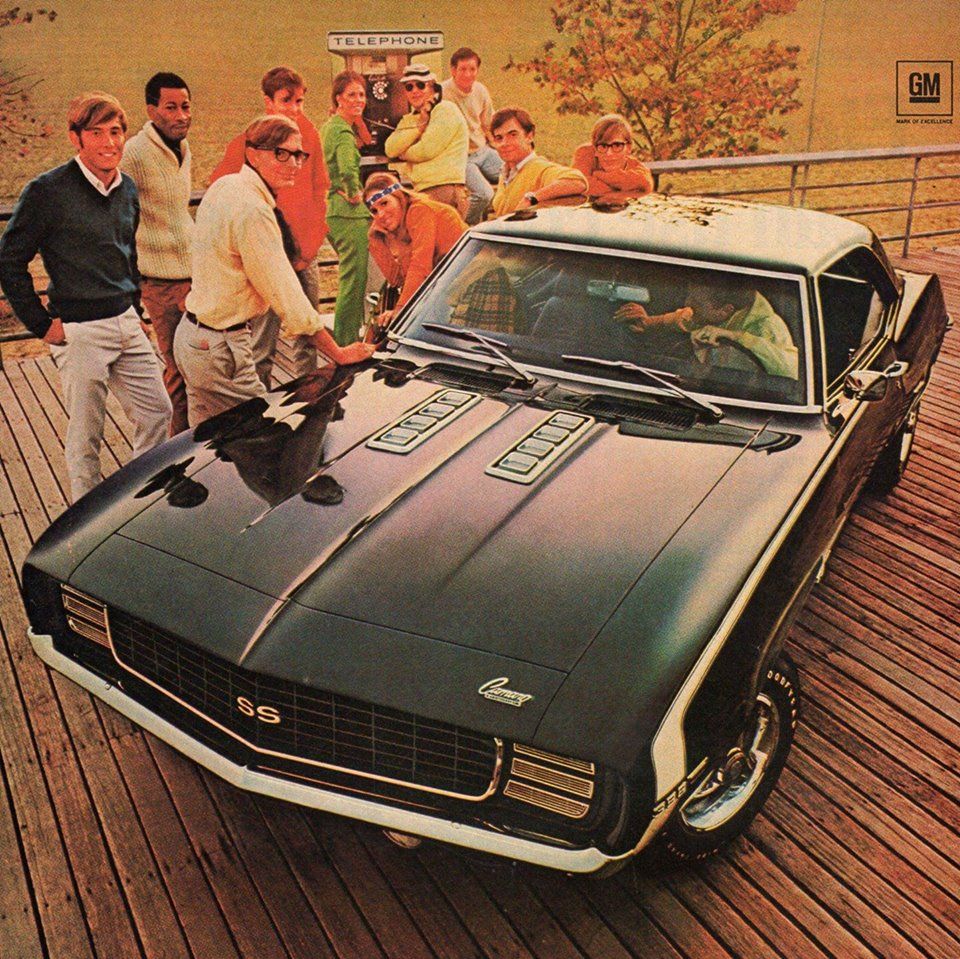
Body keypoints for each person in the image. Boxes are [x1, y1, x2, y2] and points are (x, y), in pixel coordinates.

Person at [0, 92, 171, 502]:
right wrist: (41, 324)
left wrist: (135, 308)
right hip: (79, 331)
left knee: (157, 412)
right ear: (75, 138)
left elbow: (127, 253)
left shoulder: (127, 189)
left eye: (115, 132)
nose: (109, 143)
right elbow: (9, 259)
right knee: (85, 437)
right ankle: (85, 525)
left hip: (126, 322)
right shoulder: (47, 192)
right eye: (96, 133)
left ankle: (138, 505)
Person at [174, 115, 374, 427]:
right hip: (221, 350)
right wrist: (338, 352)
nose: (293, 163)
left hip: (192, 338)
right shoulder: (254, 210)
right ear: (253, 154)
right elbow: (288, 297)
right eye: (281, 153)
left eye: (298, 154)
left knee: (208, 444)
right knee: (269, 436)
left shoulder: (226, 185)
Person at [209, 66, 330, 387]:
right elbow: (221, 187)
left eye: (300, 101)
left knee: (309, 334)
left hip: (305, 254)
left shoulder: (310, 135)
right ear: (268, 102)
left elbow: (320, 190)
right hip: (266, 255)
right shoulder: (250, 142)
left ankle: (309, 400)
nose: (294, 109)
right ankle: (257, 405)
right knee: (262, 344)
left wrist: (311, 244)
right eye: (286, 101)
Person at [122, 72, 194, 435]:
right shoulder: (134, 153)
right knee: (178, 371)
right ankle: (176, 454)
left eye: (185, 106)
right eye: (171, 108)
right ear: (151, 111)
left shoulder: (184, 148)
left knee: (200, 365)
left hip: (193, 278)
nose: (181, 115)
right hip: (159, 283)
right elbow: (118, 217)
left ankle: (200, 448)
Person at [617, 278, 799, 378]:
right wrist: (648, 322)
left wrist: (736, 337)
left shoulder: (768, 327)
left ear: (725, 311)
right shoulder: (715, 311)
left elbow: (792, 368)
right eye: (690, 296)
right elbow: (685, 317)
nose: (687, 303)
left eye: (695, 302)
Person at [363, 172, 467, 331]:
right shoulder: (401, 226)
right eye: (374, 211)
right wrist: (374, 241)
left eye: (384, 203)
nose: (381, 214)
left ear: (399, 197)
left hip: (473, 284)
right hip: (449, 290)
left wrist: (400, 310)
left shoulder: (419, 210)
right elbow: (398, 280)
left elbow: (420, 267)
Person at [322, 70, 373, 347]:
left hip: (332, 209)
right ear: (338, 98)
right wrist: (354, 192)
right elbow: (347, 168)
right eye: (351, 94)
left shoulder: (331, 126)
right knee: (354, 281)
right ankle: (346, 342)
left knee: (349, 278)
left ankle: (345, 338)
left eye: (362, 94)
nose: (359, 100)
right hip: (347, 213)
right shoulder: (342, 131)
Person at [385, 63, 469, 219]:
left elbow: (426, 150)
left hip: (445, 189)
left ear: (432, 86)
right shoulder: (410, 119)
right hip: (422, 192)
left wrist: (403, 153)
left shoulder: (445, 110)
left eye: (420, 85)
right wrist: (419, 128)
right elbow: (390, 148)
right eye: (409, 87)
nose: (414, 91)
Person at [441, 47, 502, 224]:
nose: (468, 74)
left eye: (472, 69)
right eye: (463, 69)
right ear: (453, 70)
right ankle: (462, 227)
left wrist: (499, 147)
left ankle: (505, 226)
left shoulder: (480, 90)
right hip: (461, 157)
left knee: (518, 174)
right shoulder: (442, 92)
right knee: (484, 194)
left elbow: (488, 123)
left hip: (482, 151)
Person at [489, 108, 587, 217]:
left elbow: (577, 181)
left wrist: (531, 198)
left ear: (529, 136)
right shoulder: (506, 172)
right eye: (499, 138)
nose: (505, 143)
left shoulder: (539, 167)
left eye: (513, 135)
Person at [571, 114, 654, 206]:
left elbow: (646, 184)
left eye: (617, 145)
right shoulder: (585, 152)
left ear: (629, 147)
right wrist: (621, 191)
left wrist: (599, 175)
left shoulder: (637, 167)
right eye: (603, 146)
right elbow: (579, 183)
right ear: (594, 148)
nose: (609, 153)